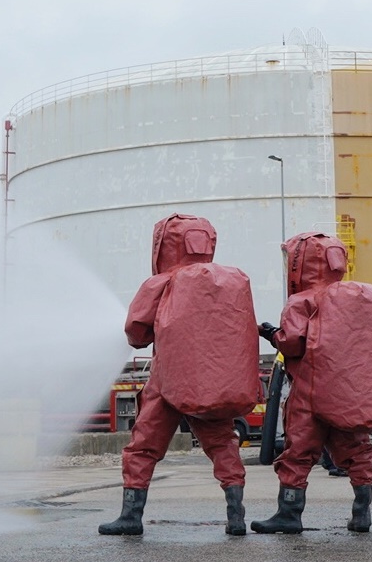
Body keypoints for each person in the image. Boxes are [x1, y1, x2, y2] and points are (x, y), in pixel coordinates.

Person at [99, 214, 260, 537]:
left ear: (164, 245)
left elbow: (137, 333)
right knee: (223, 444)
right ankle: (236, 516)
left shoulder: (162, 282)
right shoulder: (234, 279)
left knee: (143, 447)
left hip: (168, 382)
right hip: (212, 383)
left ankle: (131, 517)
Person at [251, 232, 372, 535]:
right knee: (357, 450)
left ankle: (289, 514)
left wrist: (271, 333)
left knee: (298, 453)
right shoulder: (362, 297)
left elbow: (292, 344)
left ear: (302, 263)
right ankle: (361, 514)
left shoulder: (302, 301)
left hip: (310, 394)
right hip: (347, 394)